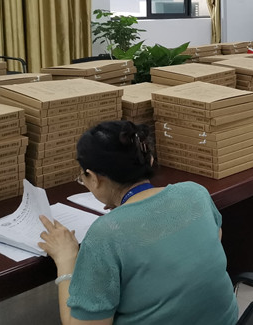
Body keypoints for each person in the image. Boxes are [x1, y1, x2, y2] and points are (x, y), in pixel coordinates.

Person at [38, 121, 238, 325]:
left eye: (83, 178)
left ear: (94, 178)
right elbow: (215, 237)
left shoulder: (106, 235)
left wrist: (66, 259)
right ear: (149, 160)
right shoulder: (195, 193)